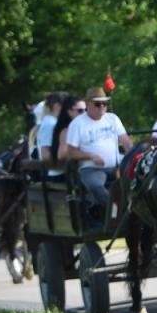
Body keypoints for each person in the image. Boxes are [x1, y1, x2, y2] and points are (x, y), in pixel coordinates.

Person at [59, 86, 132, 227]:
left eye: (105, 103)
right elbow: (71, 152)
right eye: (98, 104)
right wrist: (91, 156)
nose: (102, 107)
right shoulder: (78, 124)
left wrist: (133, 156)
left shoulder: (113, 119)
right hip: (92, 168)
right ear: (88, 104)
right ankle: (117, 214)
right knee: (95, 185)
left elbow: (126, 142)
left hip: (117, 165)